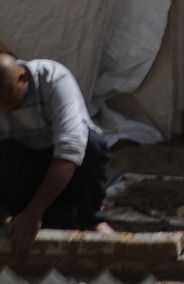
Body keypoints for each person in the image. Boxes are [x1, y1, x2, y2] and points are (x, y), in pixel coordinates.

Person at [0, 52, 112, 258]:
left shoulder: (52, 79)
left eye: (8, 100)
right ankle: (16, 218)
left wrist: (35, 211)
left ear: (23, 78)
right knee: (5, 153)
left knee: (92, 144)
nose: (4, 111)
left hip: (64, 170)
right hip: (25, 168)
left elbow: (69, 151)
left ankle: (92, 220)